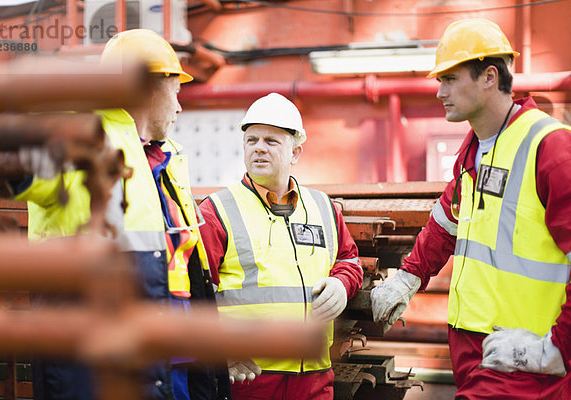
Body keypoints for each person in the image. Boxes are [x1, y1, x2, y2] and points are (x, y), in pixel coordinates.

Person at [14, 29, 229, 400]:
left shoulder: (166, 160)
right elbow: (21, 164)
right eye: (176, 90)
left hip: (176, 363)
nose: (180, 106)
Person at [370, 18, 571, 399]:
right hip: (476, 355)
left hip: (524, 363)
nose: (439, 91)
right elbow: (448, 219)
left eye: (450, 79)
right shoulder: (475, 148)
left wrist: (558, 349)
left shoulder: (551, 149)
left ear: (489, 76)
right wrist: (408, 278)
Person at [198, 92, 363, 400]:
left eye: (271, 141)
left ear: (295, 152)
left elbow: (350, 261)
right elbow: (194, 293)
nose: (259, 147)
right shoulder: (217, 211)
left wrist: (342, 284)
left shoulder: (323, 207)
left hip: (314, 376)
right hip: (249, 379)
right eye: (252, 140)